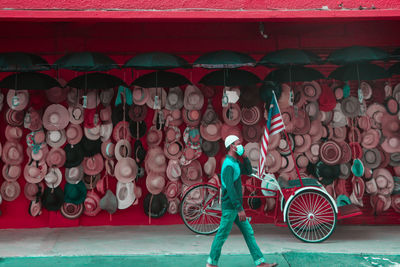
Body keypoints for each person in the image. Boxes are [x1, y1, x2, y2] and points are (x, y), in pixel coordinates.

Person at [206, 135, 278, 267]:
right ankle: (211, 263)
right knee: (221, 235)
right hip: (231, 207)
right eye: (238, 143)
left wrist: (244, 156)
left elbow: (248, 170)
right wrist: (239, 209)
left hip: (235, 207)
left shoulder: (235, 162)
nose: (241, 145)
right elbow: (231, 190)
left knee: (248, 233)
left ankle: (260, 262)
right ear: (232, 146)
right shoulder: (228, 165)